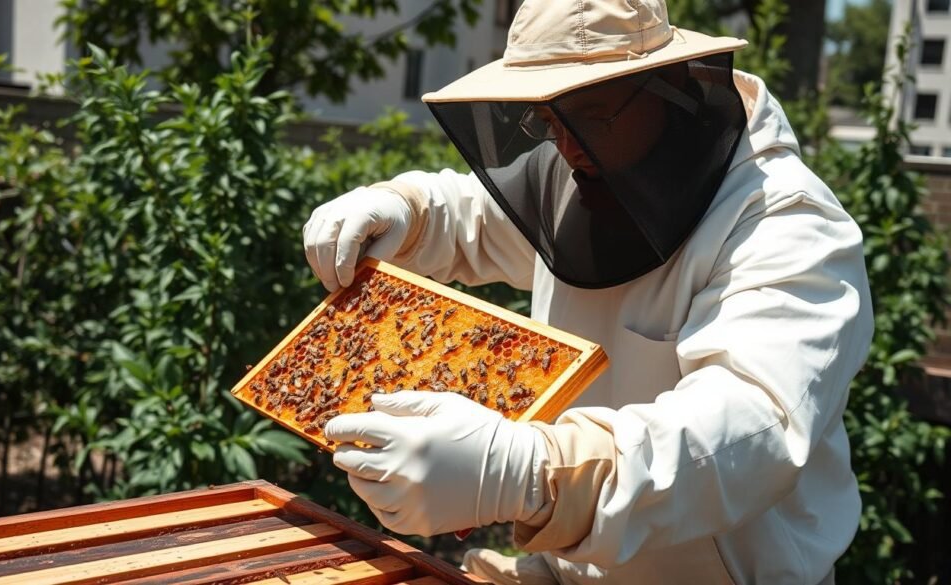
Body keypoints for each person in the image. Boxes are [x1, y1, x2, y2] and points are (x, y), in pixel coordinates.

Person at [302, 1, 873, 583]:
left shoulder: (783, 222)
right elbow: (480, 215)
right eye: (548, 121)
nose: (567, 148)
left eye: (588, 115)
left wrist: (526, 474)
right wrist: (409, 210)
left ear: (670, 85)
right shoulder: (582, 170)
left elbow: (752, 430)